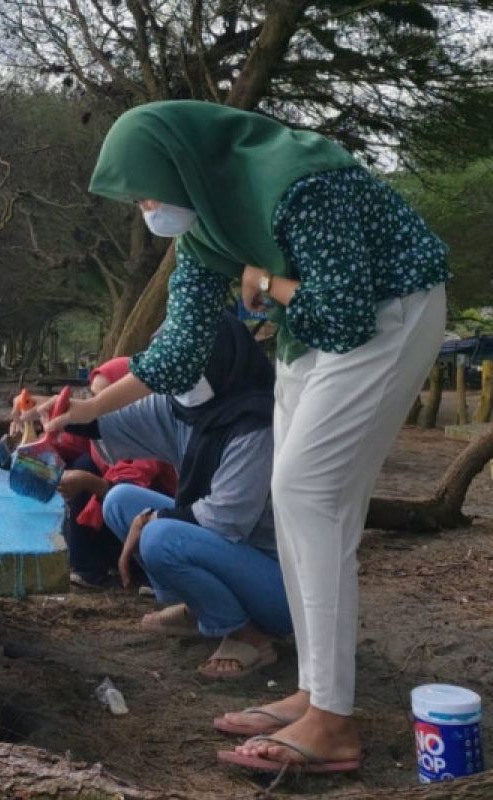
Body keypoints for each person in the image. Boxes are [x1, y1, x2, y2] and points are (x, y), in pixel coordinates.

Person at [46, 100, 448, 773]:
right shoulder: (205, 230)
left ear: (182, 163)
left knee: (304, 492)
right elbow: (174, 354)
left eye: (149, 188)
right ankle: (317, 694)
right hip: (311, 336)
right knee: (301, 510)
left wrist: (264, 281)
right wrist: (81, 413)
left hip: (387, 317)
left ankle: (333, 725)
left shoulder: (299, 180)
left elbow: (341, 312)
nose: (148, 207)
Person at [77, 313, 291, 679]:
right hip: (222, 548)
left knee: (159, 536)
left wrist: (152, 519)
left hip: (275, 581)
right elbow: (109, 421)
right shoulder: (183, 406)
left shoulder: (256, 424)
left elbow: (225, 520)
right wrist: (55, 411)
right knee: (119, 502)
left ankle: (247, 636)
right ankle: (202, 609)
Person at [49, 357, 176, 589]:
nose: (97, 405)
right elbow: (65, 445)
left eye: (107, 399)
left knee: (89, 476)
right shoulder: (97, 426)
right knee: (83, 463)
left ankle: (151, 574)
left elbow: (133, 485)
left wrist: (90, 483)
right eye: (94, 396)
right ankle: (88, 570)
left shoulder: (149, 433)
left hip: (150, 523)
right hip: (112, 521)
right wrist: (29, 444)